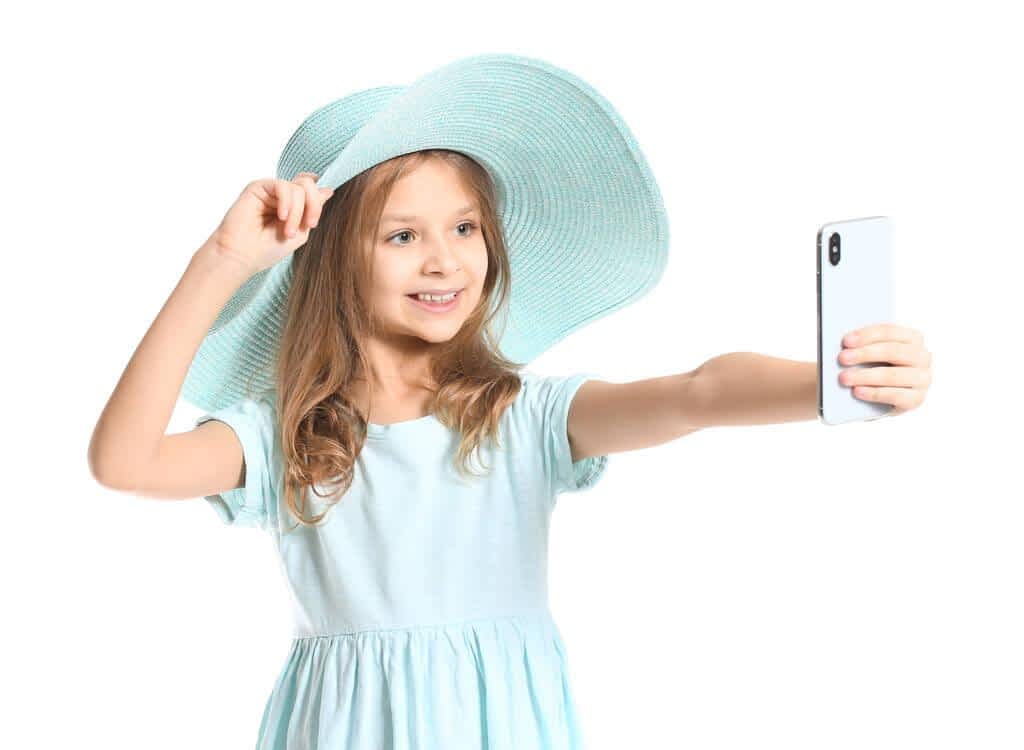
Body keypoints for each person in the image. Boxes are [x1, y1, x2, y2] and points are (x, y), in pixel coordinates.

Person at [88, 54, 932, 749]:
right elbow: (124, 462)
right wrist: (223, 261)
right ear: (331, 256)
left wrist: (831, 382)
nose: (445, 261)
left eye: (465, 228)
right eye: (402, 235)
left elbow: (697, 392)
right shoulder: (289, 437)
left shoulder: (519, 416)